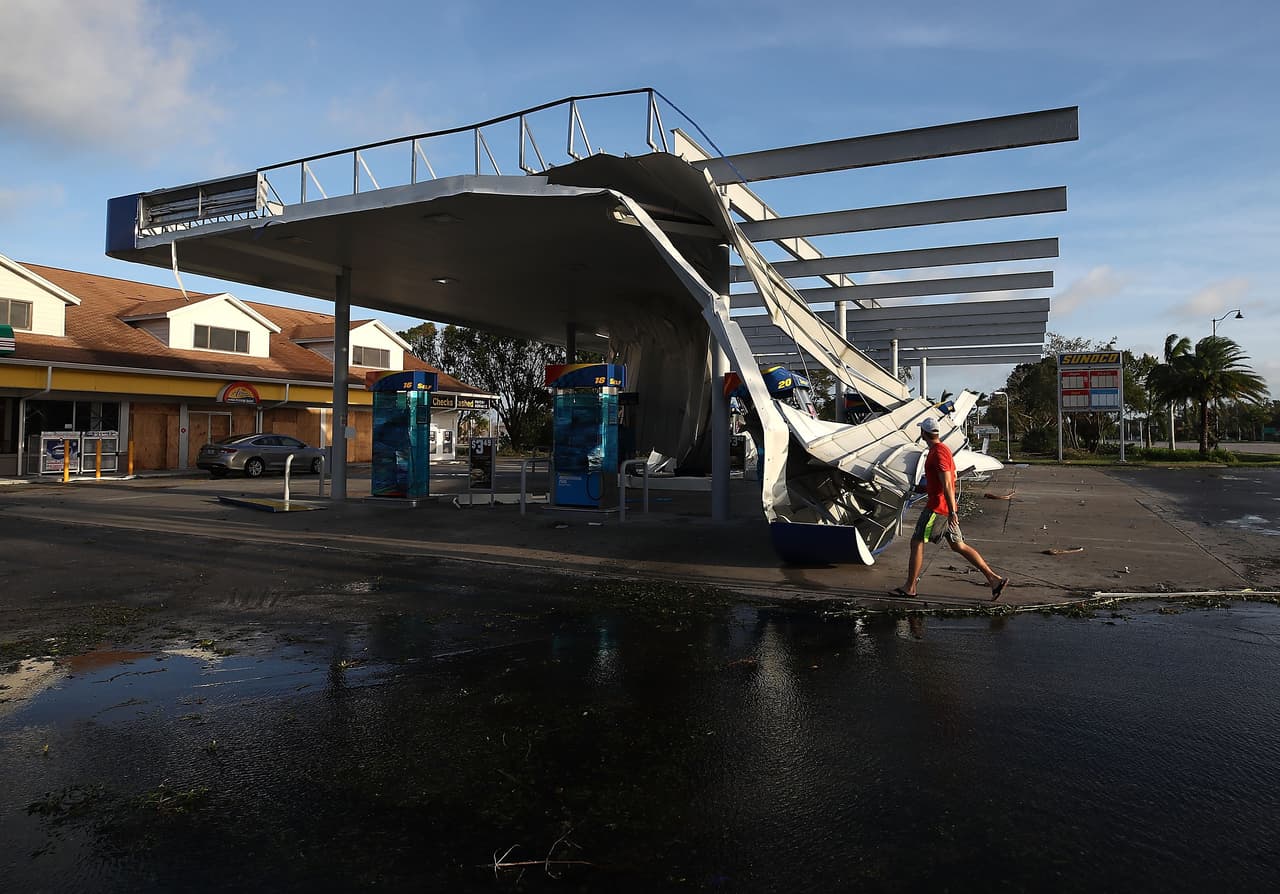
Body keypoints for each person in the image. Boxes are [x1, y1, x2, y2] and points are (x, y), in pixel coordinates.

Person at [891, 417, 1009, 600]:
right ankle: (994, 579)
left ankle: (910, 587)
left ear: (923, 433)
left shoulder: (938, 453)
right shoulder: (941, 450)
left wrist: (953, 511)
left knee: (917, 542)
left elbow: (947, 483)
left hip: (938, 509)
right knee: (958, 545)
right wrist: (923, 489)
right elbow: (943, 481)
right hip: (945, 508)